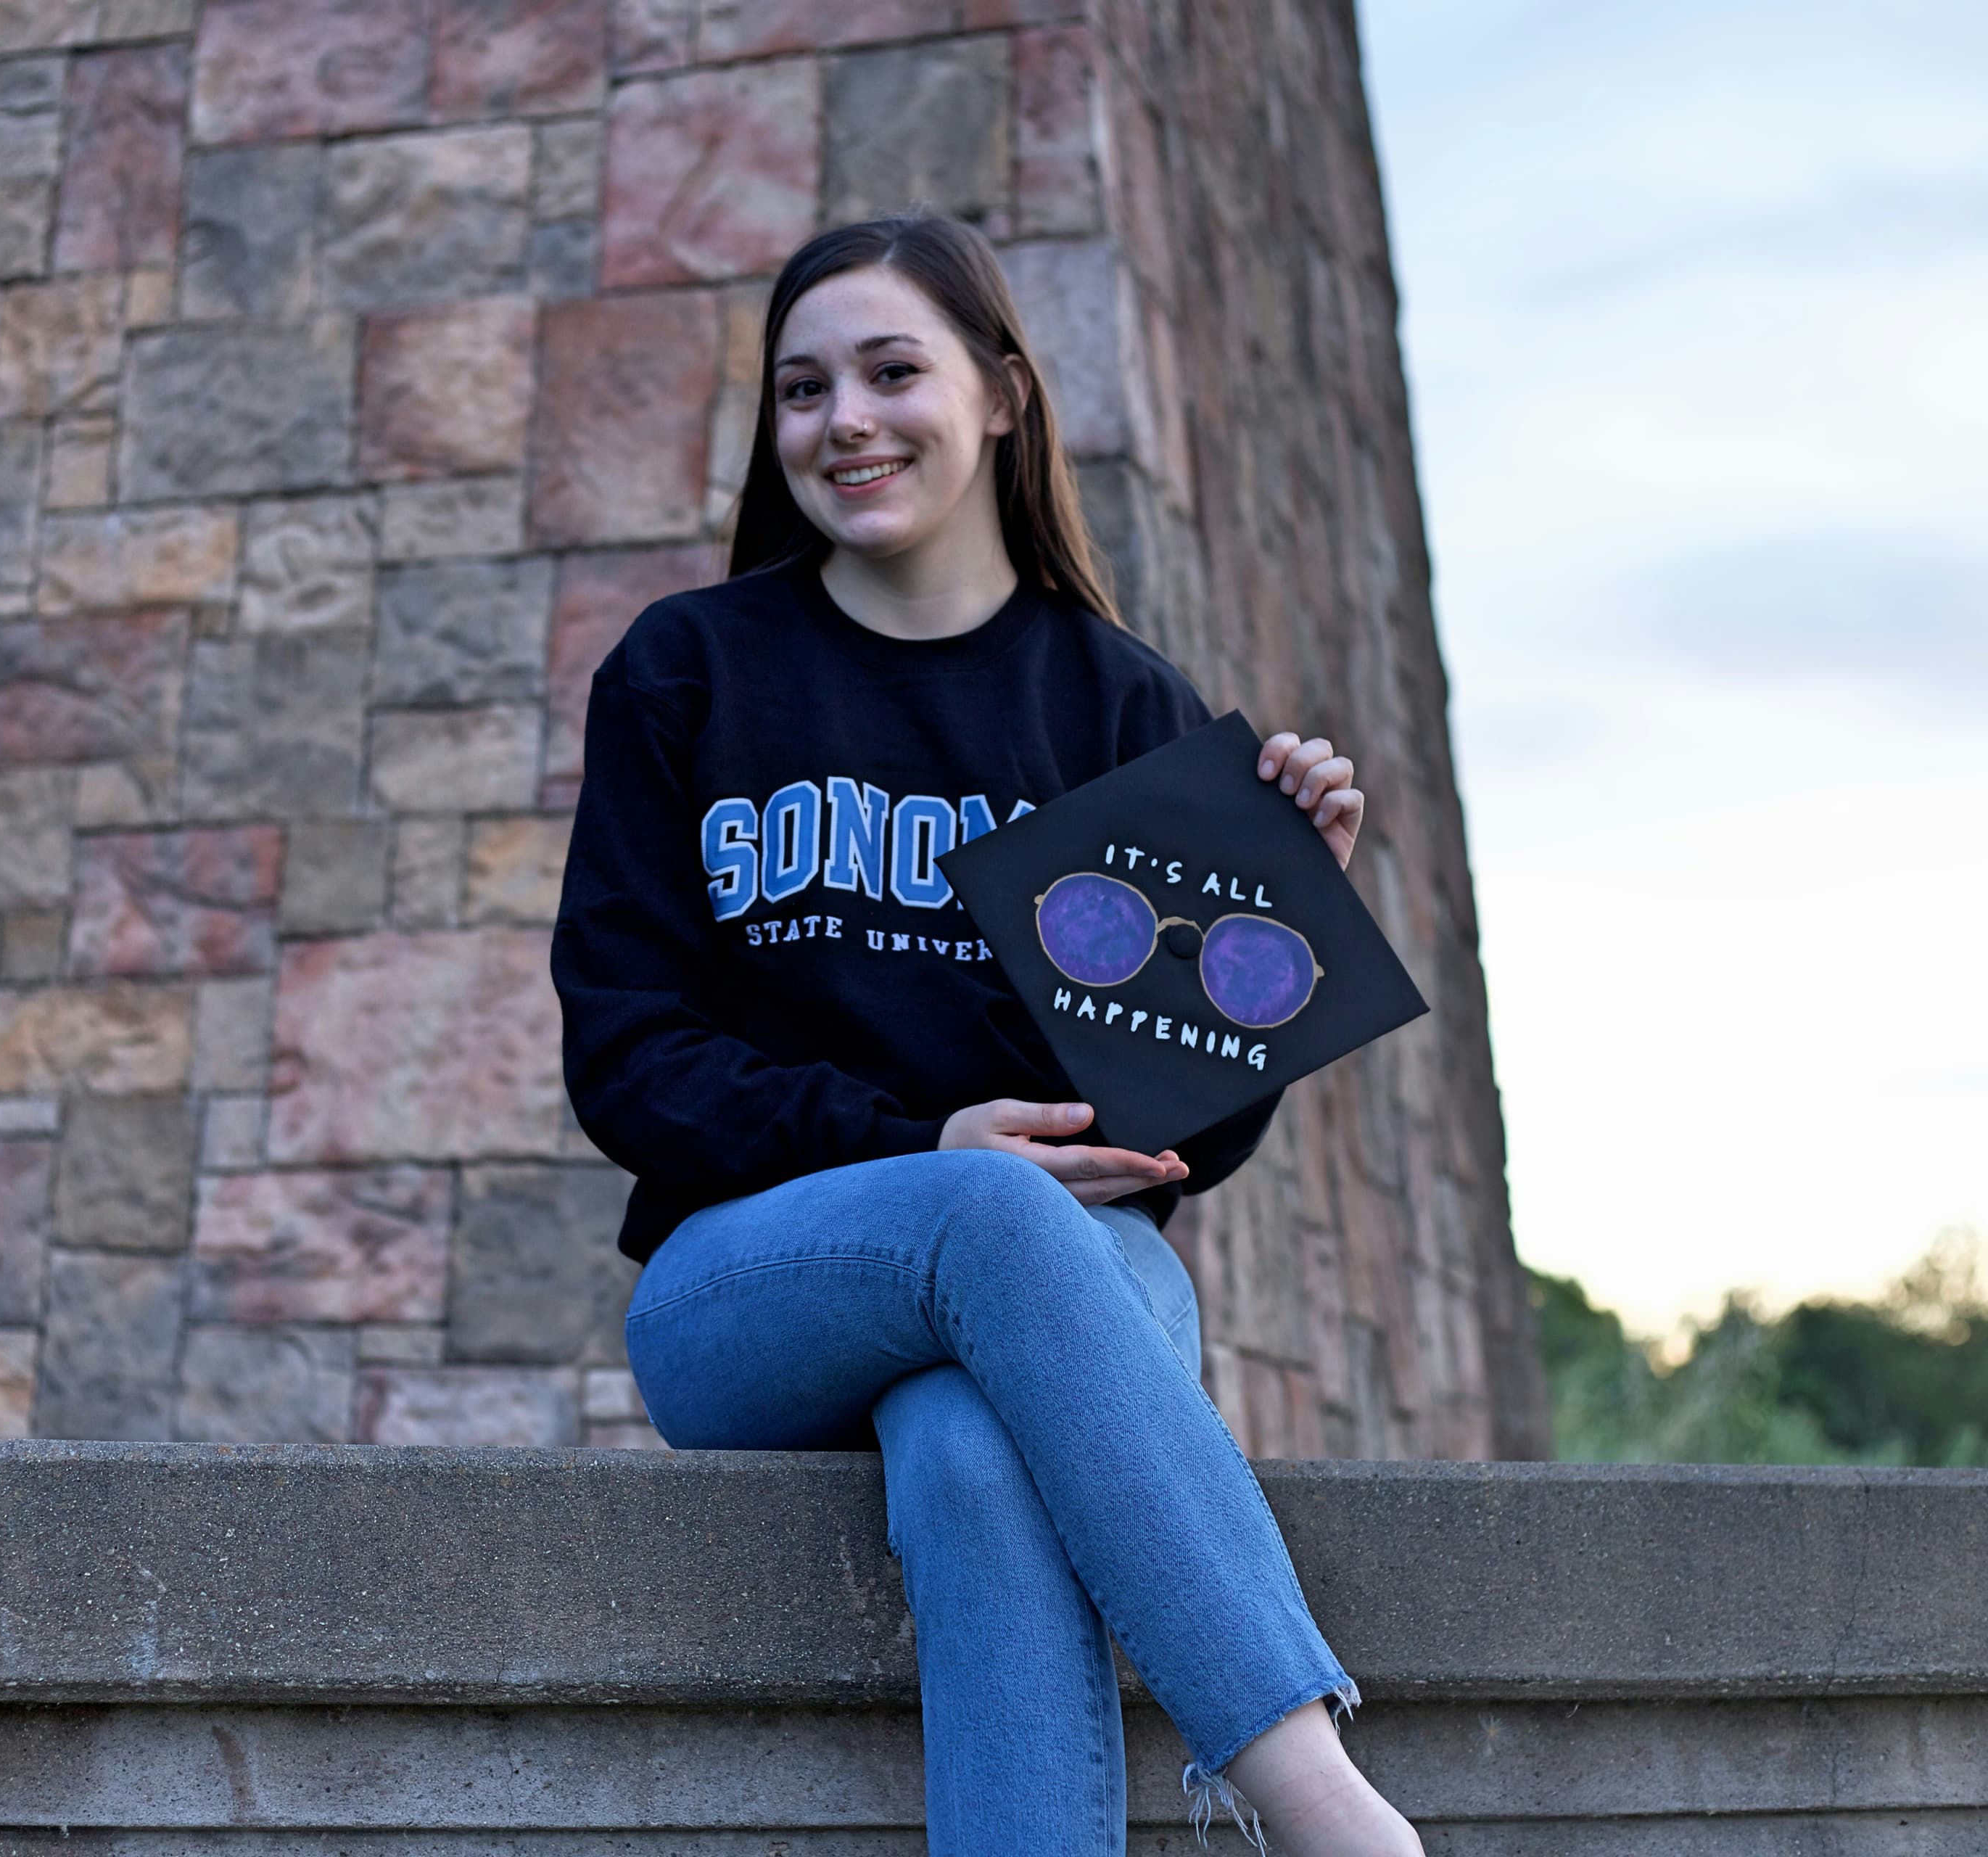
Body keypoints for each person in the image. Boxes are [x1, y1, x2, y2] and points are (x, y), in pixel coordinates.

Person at [550, 213, 1422, 1857]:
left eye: (894, 370)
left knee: (967, 1449)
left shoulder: (1117, 706)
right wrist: (919, 1148)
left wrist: (1277, 923)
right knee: (985, 1201)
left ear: (1004, 396)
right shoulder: (691, 672)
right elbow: (628, 1055)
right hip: (753, 1285)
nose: (844, 421)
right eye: (803, 389)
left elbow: (1185, 1140)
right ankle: (1324, 1800)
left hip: (1082, 1269)